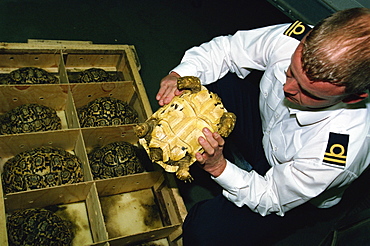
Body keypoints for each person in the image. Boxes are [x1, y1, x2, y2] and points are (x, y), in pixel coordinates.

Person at [157, 7, 370, 245]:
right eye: (291, 71)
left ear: (352, 98)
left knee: (203, 233)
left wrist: (219, 167)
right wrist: (179, 75)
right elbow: (228, 50)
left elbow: (271, 196)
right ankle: (230, 163)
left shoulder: (338, 152)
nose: (287, 89)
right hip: (267, 131)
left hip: (291, 188)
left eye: (309, 93)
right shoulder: (295, 39)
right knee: (206, 79)